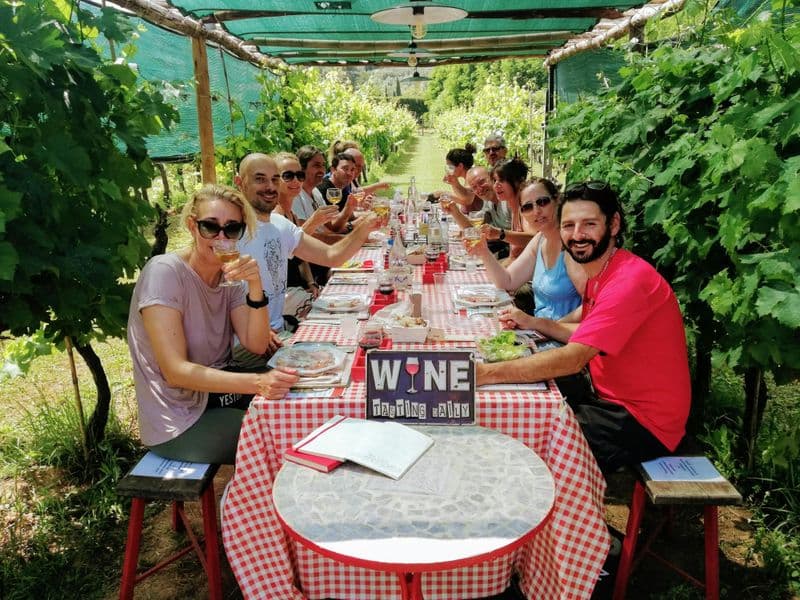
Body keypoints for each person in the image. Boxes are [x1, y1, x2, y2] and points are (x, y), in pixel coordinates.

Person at [476, 181, 691, 475]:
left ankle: (563, 504)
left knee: (532, 446)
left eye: (589, 224)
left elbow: (574, 358)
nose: (577, 235)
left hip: (644, 420)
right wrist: (535, 325)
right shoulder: (603, 272)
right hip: (608, 399)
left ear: (613, 224)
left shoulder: (628, 281)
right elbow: (584, 335)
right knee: (519, 404)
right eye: (569, 225)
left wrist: (485, 374)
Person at [126, 184, 300, 464]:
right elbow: (175, 372)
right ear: (192, 226)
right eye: (210, 227)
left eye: (232, 229)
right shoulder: (164, 273)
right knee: (283, 435)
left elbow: (256, 344)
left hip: (216, 397)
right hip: (178, 419)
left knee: (297, 406)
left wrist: (255, 285)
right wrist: (258, 383)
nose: (221, 237)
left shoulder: (228, 277)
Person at [235, 153, 378, 361]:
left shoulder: (279, 224)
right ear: (239, 182)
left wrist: (365, 228)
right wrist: (257, 331)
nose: (270, 187)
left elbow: (331, 255)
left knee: (356, 341)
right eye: (260, 179)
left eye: (274, 179)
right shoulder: (230, 231)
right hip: (247, 344)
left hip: (280, 333)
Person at [468, 177, 585, 321]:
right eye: (528, 207)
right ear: (522, 213)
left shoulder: (573, 245)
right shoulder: (540, 240)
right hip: (539, 330)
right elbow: (507, 281)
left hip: (562, 332)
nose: (536, 211)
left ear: (557, 200)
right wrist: (483, 252)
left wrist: (546, 326)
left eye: (542, 202)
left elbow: (592, 305)